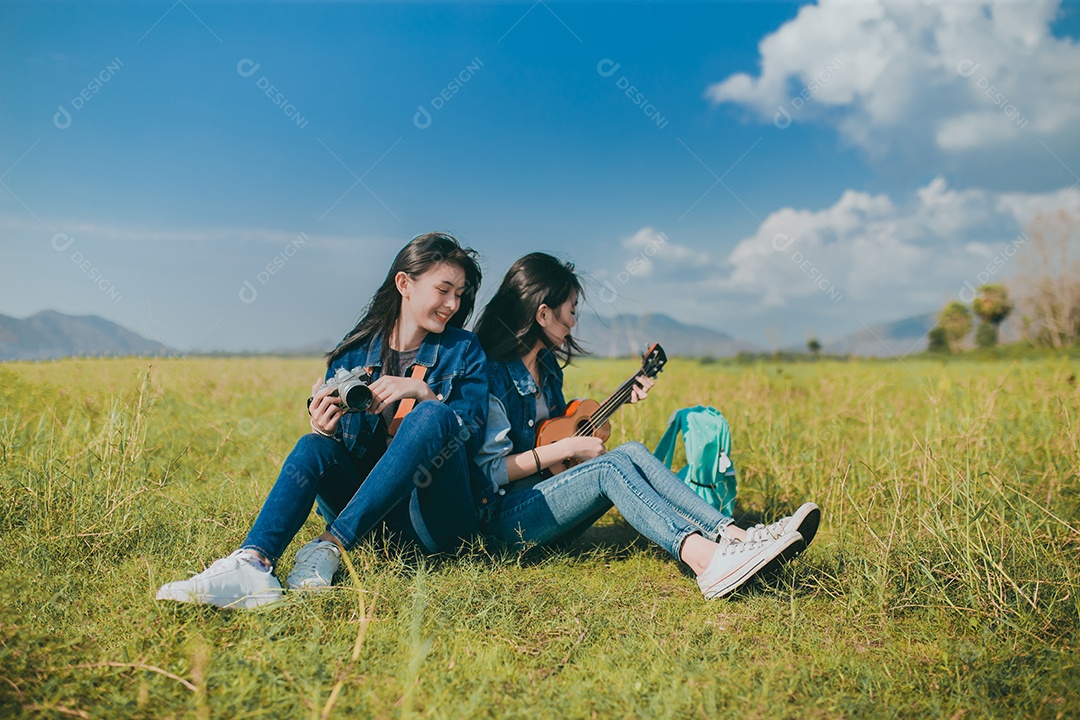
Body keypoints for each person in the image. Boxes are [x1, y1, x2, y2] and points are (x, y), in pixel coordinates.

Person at [157, 232, 493, 609]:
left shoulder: (463, 350)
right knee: (311, 445)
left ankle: (330, 545)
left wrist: (425, 394)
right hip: (372, 527)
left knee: (433, 414)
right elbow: (340, 457)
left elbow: (470, 438)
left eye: (459, 294)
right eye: (444, 289)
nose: (452, 303)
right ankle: (252, 565)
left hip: (435, 522)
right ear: (404, 283)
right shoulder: (352, 355)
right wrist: (324, 427)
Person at [473, 253, 820, 599]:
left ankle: (736, 536)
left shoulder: (547, 368)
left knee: (632, 451)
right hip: (506, 523)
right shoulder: (493, 375)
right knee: (608, 468)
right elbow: (491, 471)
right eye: (572, 310)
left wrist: (599, 421)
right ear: (543, 313)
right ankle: (706, 561)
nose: (574, 322)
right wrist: (570, 448)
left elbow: (557, 437)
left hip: (546, 504)